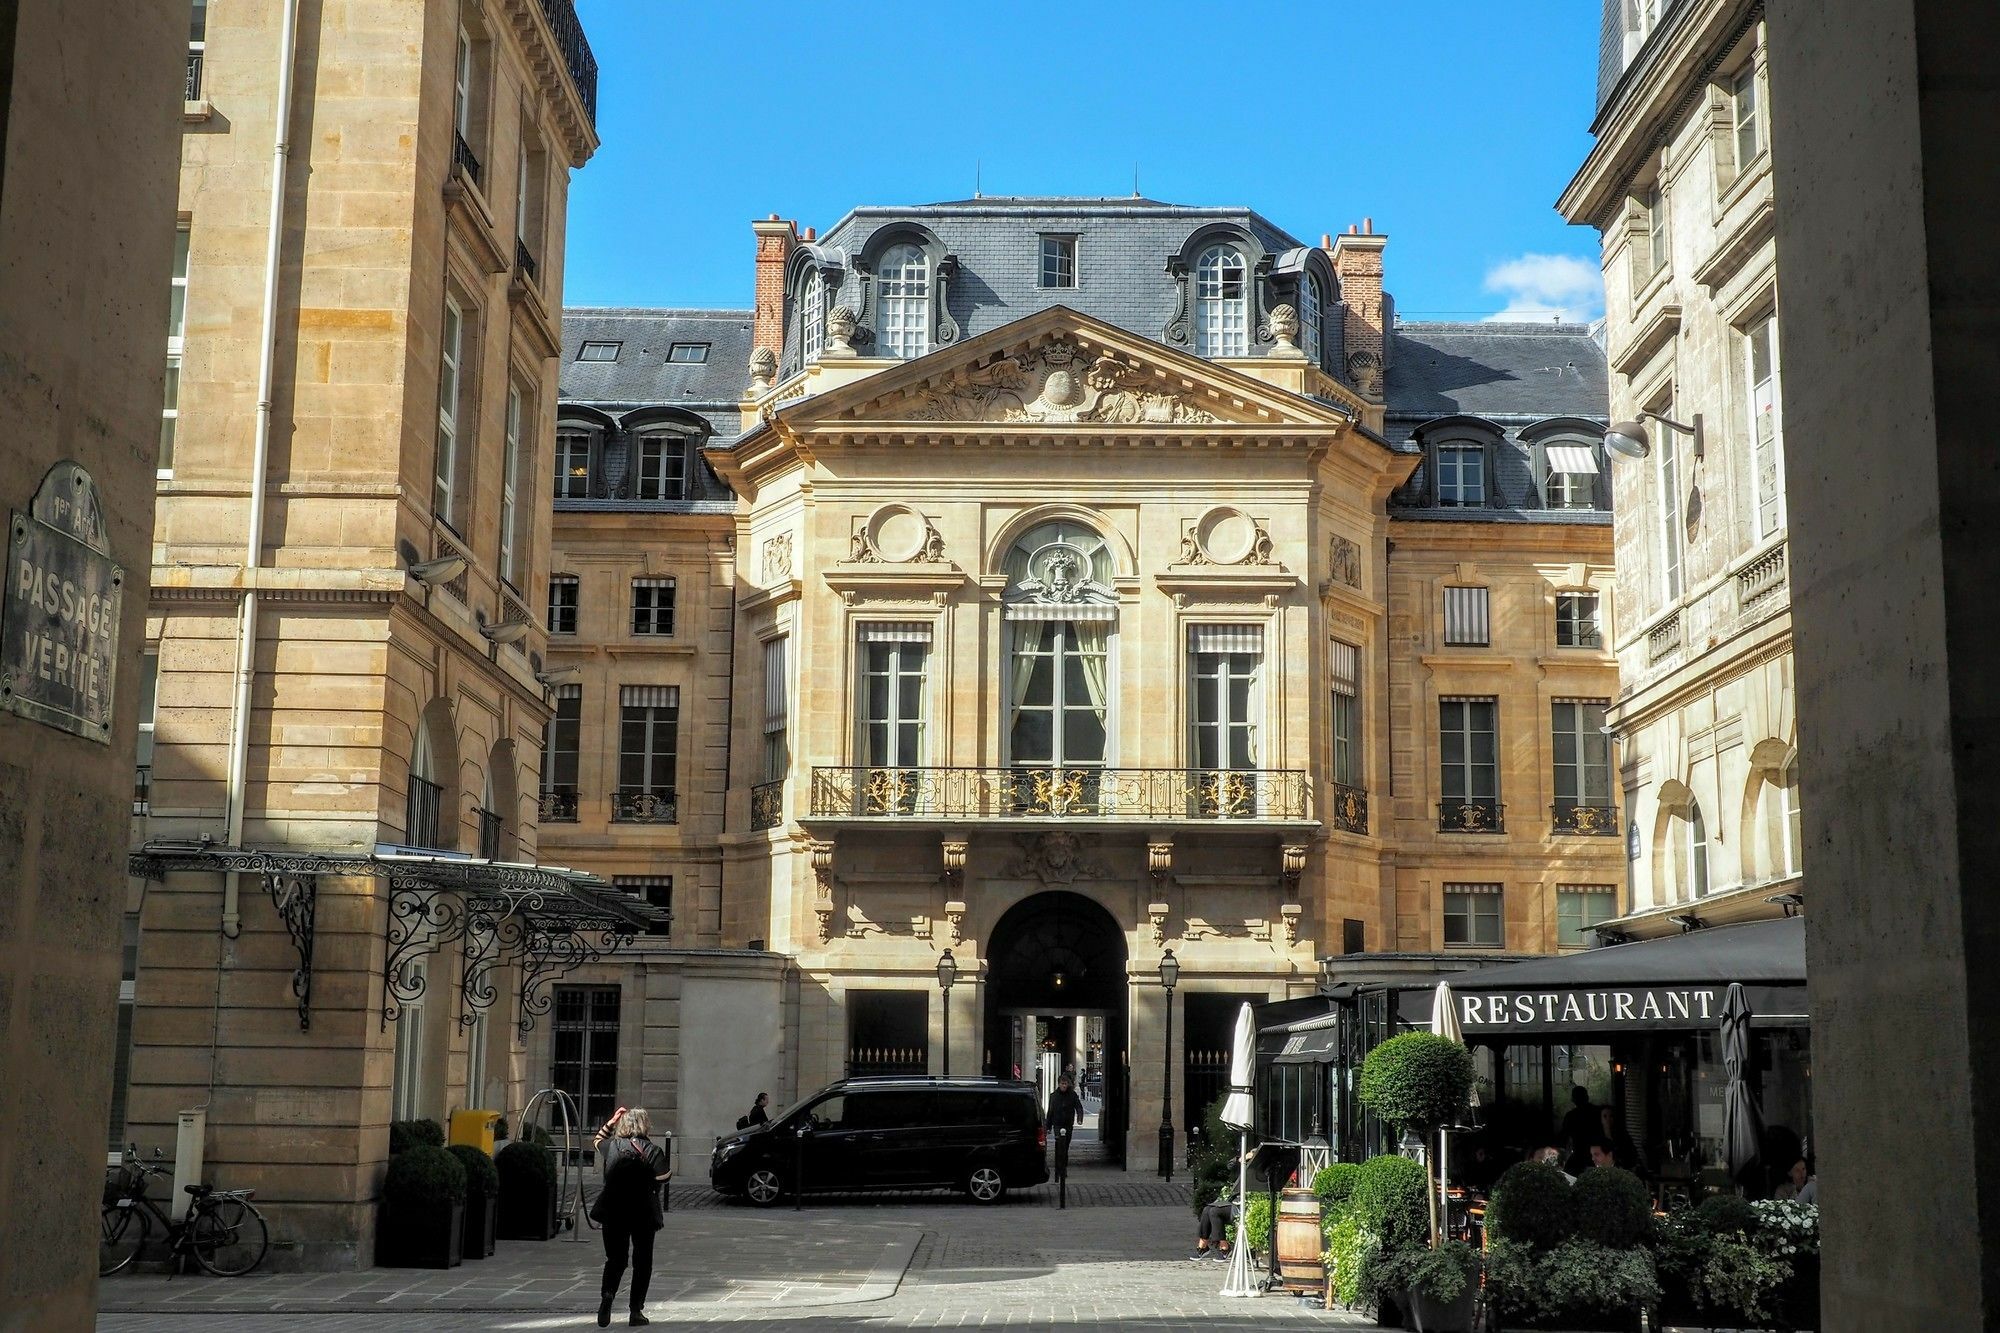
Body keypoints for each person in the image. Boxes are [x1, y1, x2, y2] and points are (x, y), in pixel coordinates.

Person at [590, 1107, 670, 1328]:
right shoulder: (652, 1150)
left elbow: (597, 1140)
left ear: (623, 1125)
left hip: (613, 1210)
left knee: (615, 1259)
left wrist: (611, 1120)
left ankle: (608, 1295)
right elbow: (664, 1175)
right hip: (643, 1212)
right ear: (646, 1125)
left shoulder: (612, 1146)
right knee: (643, 1262)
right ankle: (636, 1311)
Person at [1046, 1072, 1084, 1180]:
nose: (1064, 1085)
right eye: (1062, 1083)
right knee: (1059, 1146)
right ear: (1059, 1084)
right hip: (1057, 1124)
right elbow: (1050, 1112)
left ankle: (1063, 1167)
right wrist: (1048, 1126)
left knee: (1065, 1147)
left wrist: (1079, 1118)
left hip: (1068, 1124)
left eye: (1065, 1083)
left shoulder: (1072, 1095)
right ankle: (1058, 1169)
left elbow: (1079, 1107)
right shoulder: (1053, 1096)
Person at [1559, 1086, 1599, 1175]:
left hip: (1580, 1154)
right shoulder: (1597, 1112)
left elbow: (1563, 1137)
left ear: (1573, 1099)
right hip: (1594, 1153)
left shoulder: (1571, 1116)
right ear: (1587, 1097)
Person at [1598, 1106, 1641, 1171]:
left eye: (1611, 1116)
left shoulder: (1623, 1135)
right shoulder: (1597, 1137)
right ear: (1600, 1119)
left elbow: (1632, 1155)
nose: (1608, 1119)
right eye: (1605, 1116)